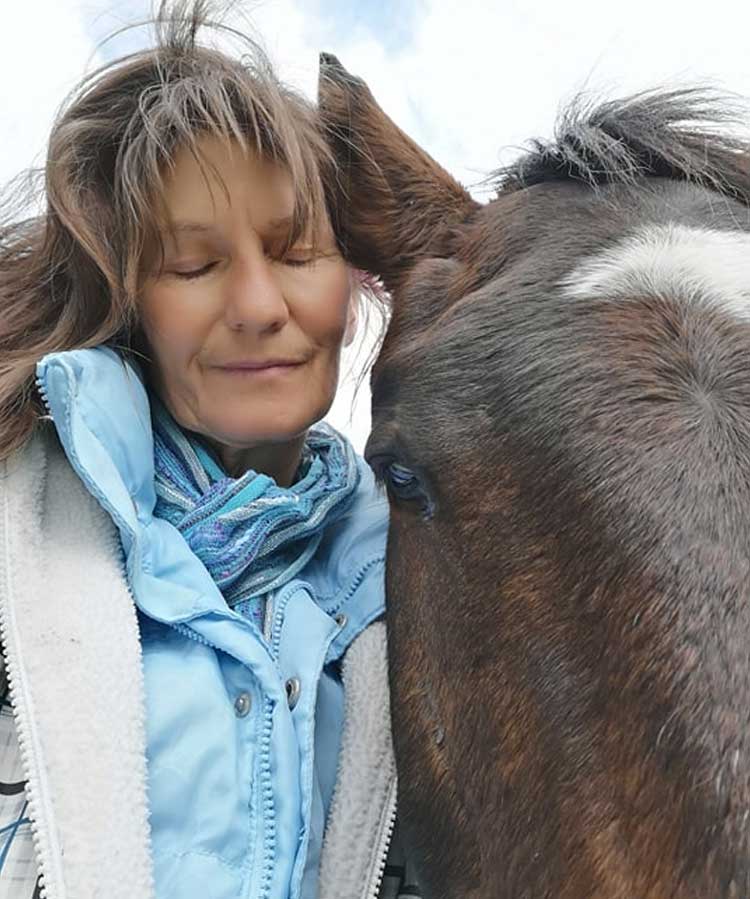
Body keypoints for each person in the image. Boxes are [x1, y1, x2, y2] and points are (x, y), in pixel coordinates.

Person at [0, 3, 418, 897]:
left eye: (297, 250)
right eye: (193, 267)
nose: (260, 305)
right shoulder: (15, 548)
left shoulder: (429, 582)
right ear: (129, 304)